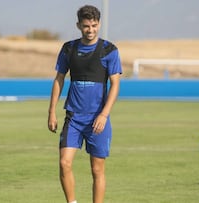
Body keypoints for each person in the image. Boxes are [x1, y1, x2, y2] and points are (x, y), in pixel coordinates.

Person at [47, 5, 122, 203]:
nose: (91, 30)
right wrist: (51, 112)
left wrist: (104, 114)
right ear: (79, 25)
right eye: (86, 26)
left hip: (98, 119)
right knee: (64, 163)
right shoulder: (69, 49)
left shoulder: (109, 50)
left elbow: (115, 85)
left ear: (99, 24)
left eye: (94, 25)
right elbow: (59, 79)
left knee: (97, 169)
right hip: (73, 117)